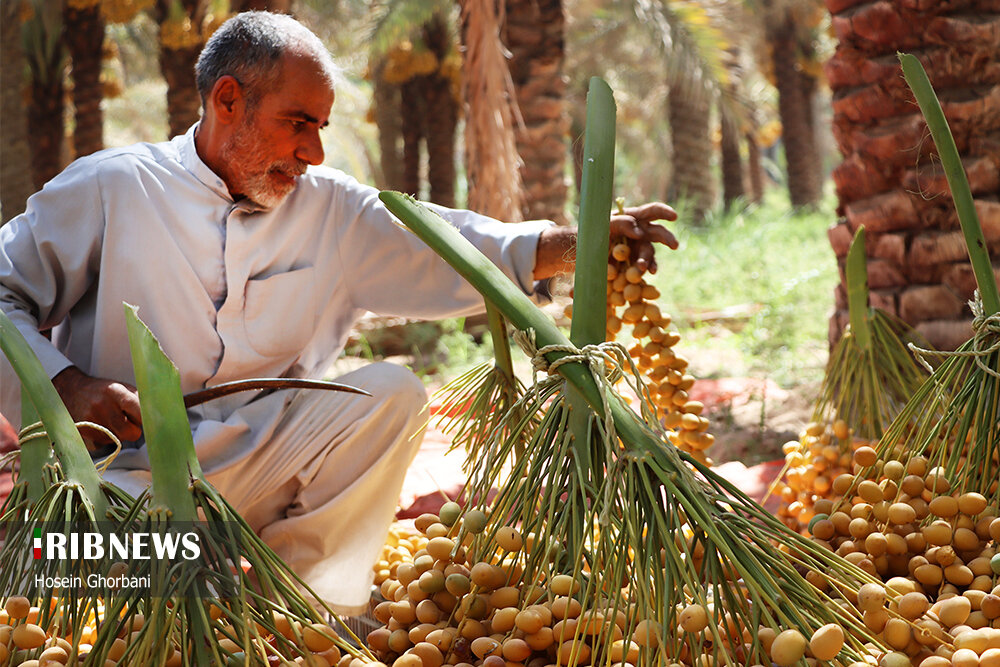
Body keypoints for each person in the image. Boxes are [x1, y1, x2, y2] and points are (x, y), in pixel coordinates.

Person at [0, 11, 677, 614]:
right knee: (71, 566)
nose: (313, 152)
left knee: (389, 395)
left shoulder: (328, 206)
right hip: (119, 486)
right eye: (298, 123)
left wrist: (575, 246)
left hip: (255, 471)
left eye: (320, 129)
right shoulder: (112, 187)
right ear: (228, 100)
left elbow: (448, 243)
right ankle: (198, 584)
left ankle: (308, 613)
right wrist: (61, 387)